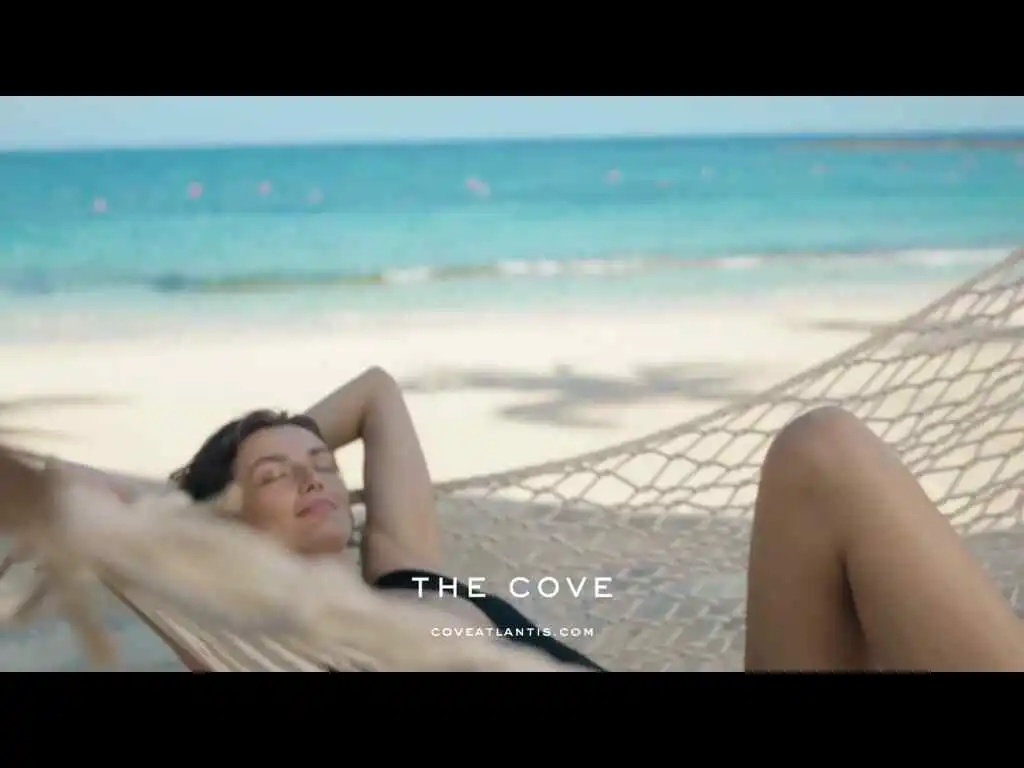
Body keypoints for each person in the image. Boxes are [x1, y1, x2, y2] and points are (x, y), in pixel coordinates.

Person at [45, 368, 1024, 671]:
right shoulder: (269, 642)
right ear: (222, 516)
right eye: (277, 478)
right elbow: (65, 487)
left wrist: (277, 450)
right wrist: (202, 504)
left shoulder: (401, 571)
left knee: (823, 448)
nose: (313, 480)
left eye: (322, 467)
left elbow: (378, 393)